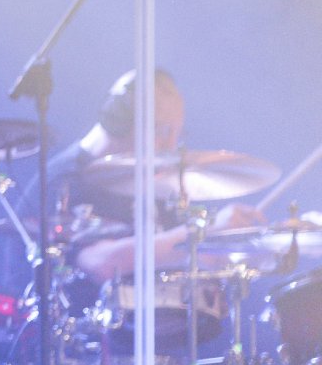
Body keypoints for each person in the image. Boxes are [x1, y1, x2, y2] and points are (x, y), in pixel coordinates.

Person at [64, 69, 261, 283]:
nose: (171, 146)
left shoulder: (155, 179)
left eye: (177, 134)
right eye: (162, 131)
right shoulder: (64, 180)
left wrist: (234, 242)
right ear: (117, 121)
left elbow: (185, 255)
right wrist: (203, 231)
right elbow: (98, 263)